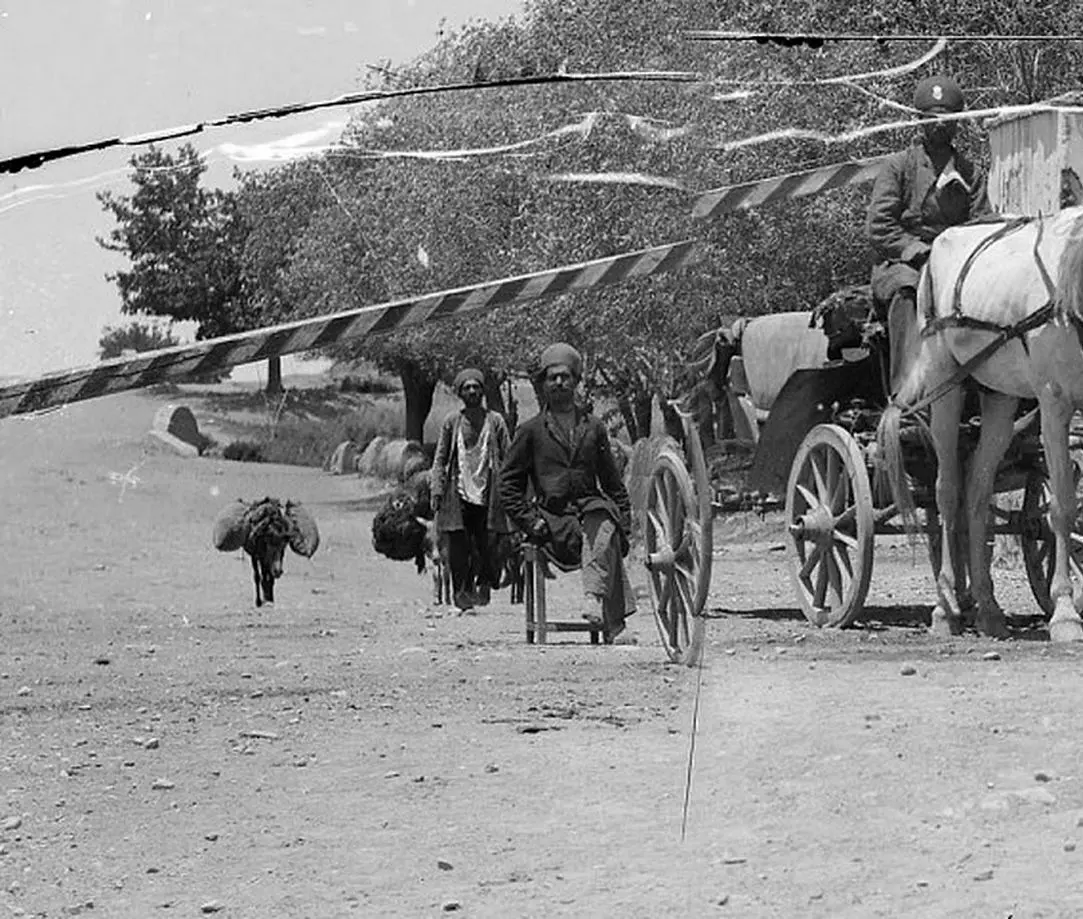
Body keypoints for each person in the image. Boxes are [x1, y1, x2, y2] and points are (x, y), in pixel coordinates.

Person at [498, 343, 636, 643]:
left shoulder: (595, 428)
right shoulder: (530, 431)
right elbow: (507, 485)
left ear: (576, 381)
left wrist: (625, 518)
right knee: (604, 530)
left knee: (604, 518)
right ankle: (615, 626)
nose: (559, 383)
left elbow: (612, 481)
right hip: (553, 523)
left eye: (565, 377)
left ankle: (593, 598)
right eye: (552, 378)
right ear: (543, 385)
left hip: (591, 510)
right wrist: (529, 520)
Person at [866, 74, 991, 389]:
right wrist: (918, 253)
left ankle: (993, 386)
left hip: (955, 265)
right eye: (932, 118)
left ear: (959, 122)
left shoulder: (970, 172)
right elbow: (879, 227)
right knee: (910, 293)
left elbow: (983, 221)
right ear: (919, 120)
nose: (940, 125)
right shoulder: (898, 166)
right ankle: (907, 395)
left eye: (948, 118)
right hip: (902, 264)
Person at [431, 368, 511, 611]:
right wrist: (437, 488)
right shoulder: (451, 422)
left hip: (488, 490)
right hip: (459, 491)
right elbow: (441, 458)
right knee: (458, 543)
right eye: (467, 388)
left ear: (482, 391)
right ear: (460, 394)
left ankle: (486, 582)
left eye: (476, 387)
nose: (473, 391)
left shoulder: (495, 421)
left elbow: (508, 456)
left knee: (488, 540)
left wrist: (511, 488)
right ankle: (461, 592)